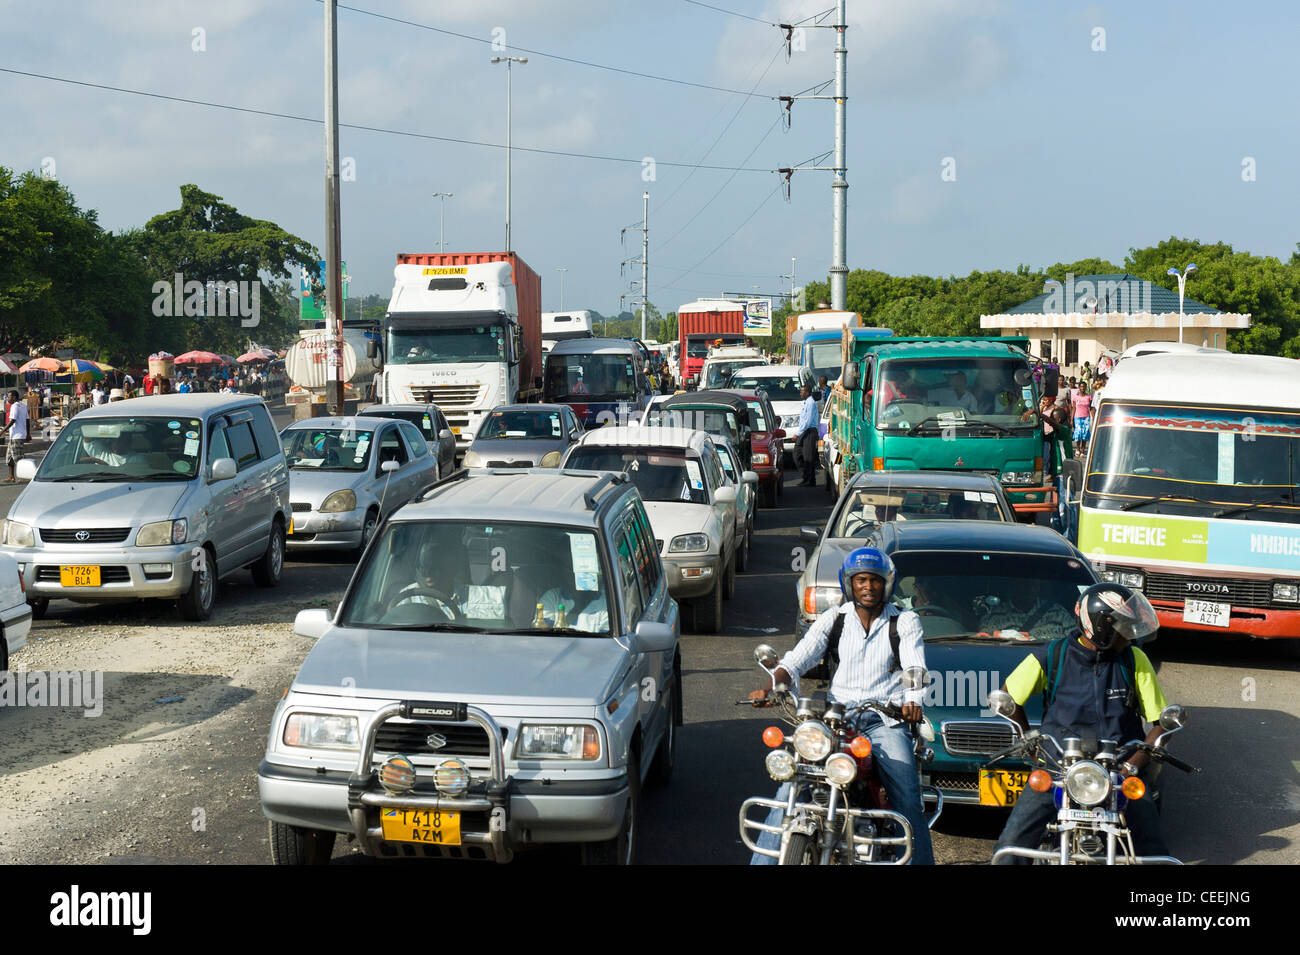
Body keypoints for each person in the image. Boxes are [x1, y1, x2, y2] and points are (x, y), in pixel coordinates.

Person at [748, 547, 933, 865]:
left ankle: (919, 860)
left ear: (887, 585)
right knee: (792, 782)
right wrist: (771, 685)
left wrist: (913, 701)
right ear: (849, 583)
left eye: (875, 581)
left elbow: (915, 667)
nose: (868, 587)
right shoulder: (834, 618)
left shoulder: (904, 621)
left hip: (883, 721)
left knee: (906, 792)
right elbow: (797, 658)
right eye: (861, 580)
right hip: (835, 721)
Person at [992, 584, 1171, 863]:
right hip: (1058, 767)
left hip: (1118, 770)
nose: (1130, 635)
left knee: (1153, 847)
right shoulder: (1053, 655)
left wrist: (1133, 764)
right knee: (1012, 842)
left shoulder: (1134, 659)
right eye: (1124, 627)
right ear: (1100, 628)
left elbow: (1161, 722)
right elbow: (1007, 697)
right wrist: (1029, 738)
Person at [977, 576, 1076, 640]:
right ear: (1013, 586)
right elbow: (982, 644)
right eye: (1024, 584)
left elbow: (1075, 642)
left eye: (1034, 585)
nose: (1030, 589)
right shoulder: (993, 616)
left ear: (1039, 587)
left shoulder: (1058, 613)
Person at [793, 383, 819, 486]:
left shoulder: (810, 403)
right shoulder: (805, 402)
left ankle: (809, 480)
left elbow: (808, 421)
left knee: (808, 457)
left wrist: (797, 433)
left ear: (807, 392)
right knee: (797, 454)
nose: (800, 393)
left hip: (809, 431)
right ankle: (807, 477)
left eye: (802, 391)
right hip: (805, 431)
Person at [5, 390, 29, 482]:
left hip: (17, 436)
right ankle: (11, 477)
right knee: (10, 457)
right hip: (15, 435)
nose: (8, 398)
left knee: (18, 457)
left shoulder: (14, 406)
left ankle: (25, 477)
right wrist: (28, 433)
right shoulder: (23, 406)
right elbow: (27, 420)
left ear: (14, 397)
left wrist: (3, 431)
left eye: (9, 397)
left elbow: (12, 420)